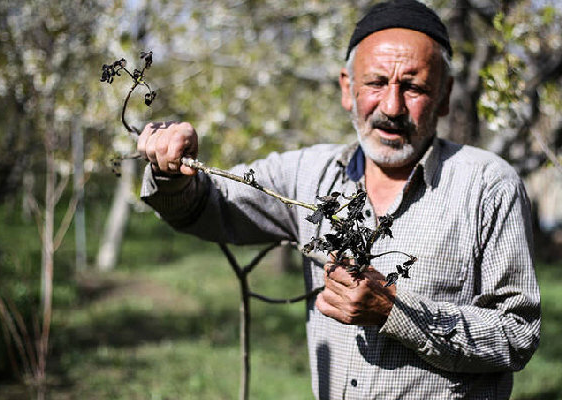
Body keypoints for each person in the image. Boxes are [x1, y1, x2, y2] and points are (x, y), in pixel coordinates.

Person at [138, 0, 540, 398]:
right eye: (376, 83)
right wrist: (173, 174)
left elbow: (518, 333)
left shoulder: (488, 184)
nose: (392, 107)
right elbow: (206, 208)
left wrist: (394, 311)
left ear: (445, 94)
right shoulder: (308, 174)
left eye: (414, 87)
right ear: (348, 88)